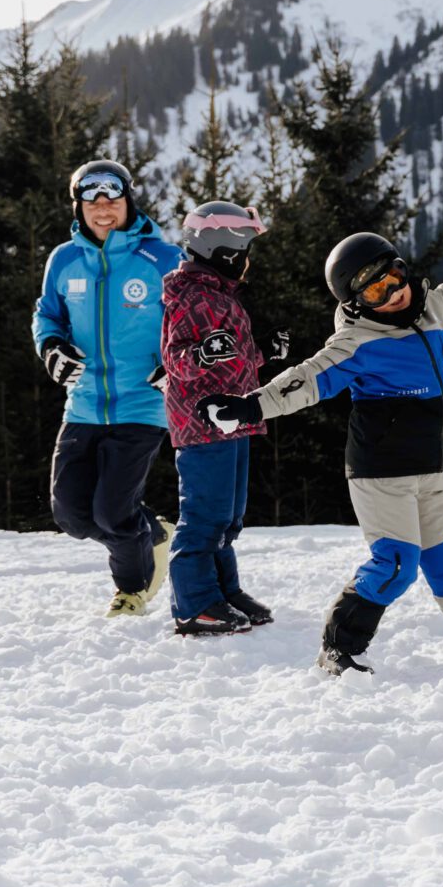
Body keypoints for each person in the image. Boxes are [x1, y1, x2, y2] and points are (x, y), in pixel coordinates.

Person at [219, 173, 443, 675]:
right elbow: (307, 379)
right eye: (374, 292)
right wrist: (252, 405)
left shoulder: (436, 308)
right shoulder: (357, 343)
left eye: (392, 278)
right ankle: (339, 648)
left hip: (432, 469)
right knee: (396, 563)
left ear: (403, 269)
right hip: (382, 475)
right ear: (356, 305)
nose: (391, 294)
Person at [32, 160, 181, 617]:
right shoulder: (64, 259)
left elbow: (194, 321)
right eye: (92, 200)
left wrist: (175, 363)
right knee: (72, 515)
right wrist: (51, 346)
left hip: (143, 403)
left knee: (112, 512)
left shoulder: (163, 258)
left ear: (127, 201)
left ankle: (131, 590)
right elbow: (47, 315)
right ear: (79, 207)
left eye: (112, 199)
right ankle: (151, 532)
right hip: (83, 405)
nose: (103, 209)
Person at [159, 200, 278, 637]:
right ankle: (194, 604)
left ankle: (224, 593)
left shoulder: (220, 296)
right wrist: (202, 352)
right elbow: (175, 359)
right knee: (204, 518)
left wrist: (265, 351)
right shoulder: (190, 296)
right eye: (244, 248)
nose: (247, 260)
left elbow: (234, 358)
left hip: (232, 417)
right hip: (202, 423)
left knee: (228, 520)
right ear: (223, 249)